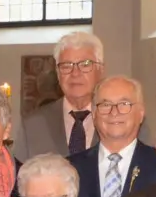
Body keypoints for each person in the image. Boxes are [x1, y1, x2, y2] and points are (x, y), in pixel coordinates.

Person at [67, 76, 156, 197]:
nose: (114, 112)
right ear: (94, 114)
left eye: (124, 104)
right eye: (105, 105)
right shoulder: (71, 168)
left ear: (141, 113)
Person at [17, 31, 107, 159]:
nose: (75, 73)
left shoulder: (119, 118)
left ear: (101, 70)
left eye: (85, 65)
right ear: (58, 73)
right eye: (66, 66)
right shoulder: (33, 124)